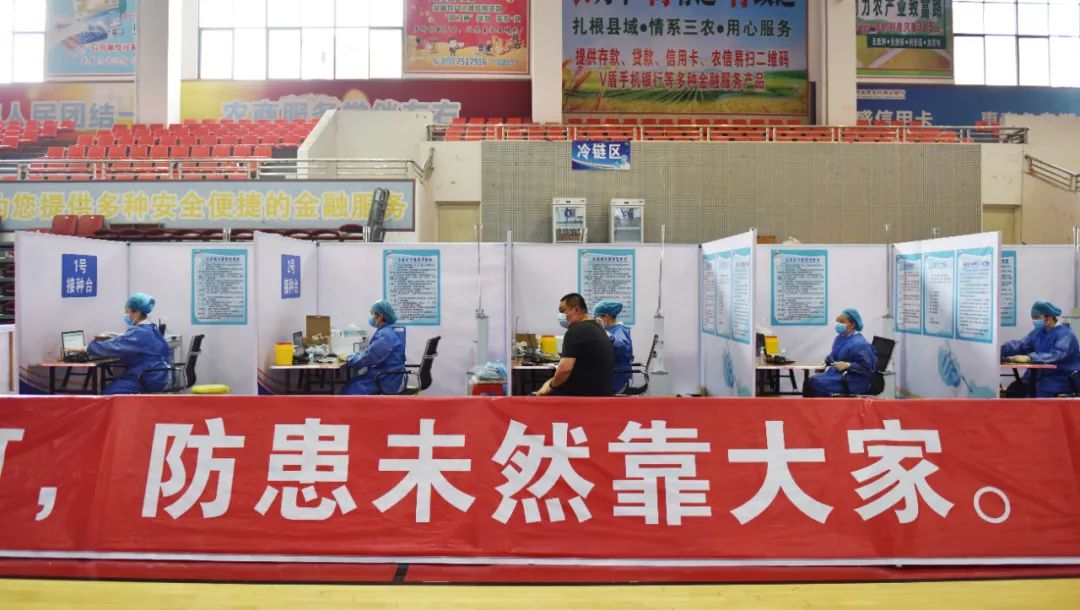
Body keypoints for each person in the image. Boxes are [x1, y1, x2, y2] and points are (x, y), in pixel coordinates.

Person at [82, 293, 173, 394]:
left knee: (108, 394)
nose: (126, 315)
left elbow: (114, 347)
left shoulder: (140, 333)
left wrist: (87, 348)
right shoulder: (151, 328)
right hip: (160, 374)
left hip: (149, 377)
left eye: (127, 312)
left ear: (137, 313)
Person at [535, 293, 614, 396]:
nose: (560, 316)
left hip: (580, 395)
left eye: (563, 311)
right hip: (602, 393)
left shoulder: (575, 332)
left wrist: (549, 386)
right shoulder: (599, 328)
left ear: (576, 309)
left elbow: (564, 370)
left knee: (540, 393)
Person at [1001, 300, 1080, 398]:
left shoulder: (1066, 335)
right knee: (1013, 391)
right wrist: (1001, 350)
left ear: (1049, 317)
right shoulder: (1038, 333)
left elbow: (1057, 355)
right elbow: (1021, 345)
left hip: (1058, 380)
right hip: (1037, 378)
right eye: (1033, 318)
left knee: (1033, 397)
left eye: (1037, 318)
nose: (1035, 321)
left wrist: (1029, 358)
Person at [803, 308, 877, 397]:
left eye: (842, 322)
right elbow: (834, 356)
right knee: (810, 381)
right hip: (837, 374)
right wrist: (825, 363)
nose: (839, 324)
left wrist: (849, 365)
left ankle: (823, 406)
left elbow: (868, 368)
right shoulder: (840, 338)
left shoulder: (859, 343)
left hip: (853, 380)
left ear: (852, 324)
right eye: (838, 321)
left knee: (816, 384)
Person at [343, 300, 406, 395]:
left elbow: (370, 357)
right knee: (352, 383)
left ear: (380, 317)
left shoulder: (385, 335)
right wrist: (353, 356)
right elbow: (371, 352)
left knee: (350, 389)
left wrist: (349, 358)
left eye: (372, 314)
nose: (371, 317)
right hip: (386, 375)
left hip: (386, 379)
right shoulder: (385, 331)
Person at [594, 300, 634, 394]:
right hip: (611, 375)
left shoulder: (619, 330)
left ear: (606, 317)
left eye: (597, 319)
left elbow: (622, 348)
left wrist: (605, 333)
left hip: (617, 379)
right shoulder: (611, 330)